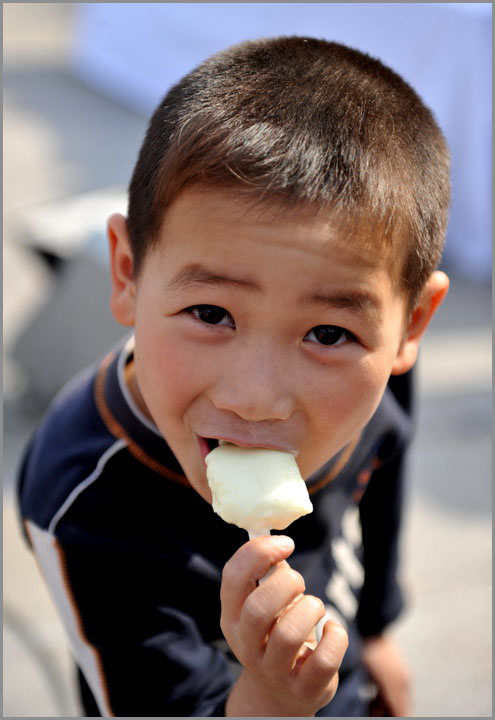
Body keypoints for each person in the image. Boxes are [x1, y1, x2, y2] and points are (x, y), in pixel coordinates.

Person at [17, 36, 450, 717]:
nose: (255, 399)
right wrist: (272, 699)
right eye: (211, 312)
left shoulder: (376, 379)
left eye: (326, 334)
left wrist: (375, 629)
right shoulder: (85, 498)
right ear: (127, 273)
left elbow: (382, 475)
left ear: (409, 329)